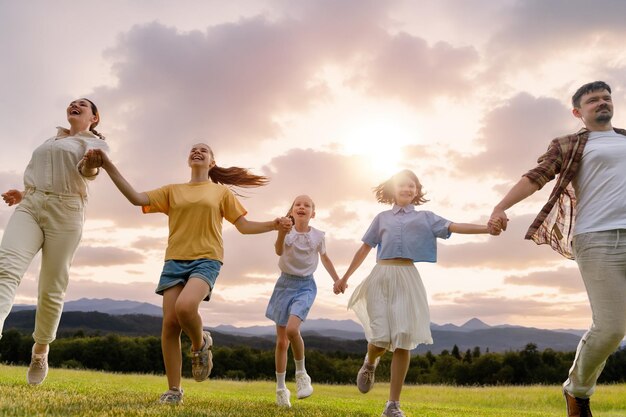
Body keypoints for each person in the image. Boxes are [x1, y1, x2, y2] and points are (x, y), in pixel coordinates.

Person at [85, 144, 291, 405]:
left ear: (211, 162)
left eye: (204, 150)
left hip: (206, 259)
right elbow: (137, 198)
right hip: (174, 261)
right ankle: (174, 390)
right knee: (170, 325)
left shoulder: (220, 192)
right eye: (194, 149)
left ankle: (200, 343)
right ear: (188, 159)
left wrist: (273, 225)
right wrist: (107, 165)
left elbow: (243, 226)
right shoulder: (173, 190)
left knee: (185, 308)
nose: (197, 152)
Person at [489, 80, 626, 417]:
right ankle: (576, 390)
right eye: (593, 100)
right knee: (612, 326)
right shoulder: (569, 144)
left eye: (607, 98)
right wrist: (500, 206)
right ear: (578, 112)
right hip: (597, 237)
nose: (602, 102)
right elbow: (536, 176)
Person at [334, 169, 499, 417]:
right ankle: (370, 363)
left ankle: (392, 405)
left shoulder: (425, 217)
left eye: (413, 186)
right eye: (403, 185)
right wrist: (345, 277)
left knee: (404, 338)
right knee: (379, 338)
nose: (408, 189)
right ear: (393, 189)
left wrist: (486, 229)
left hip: (407, 278)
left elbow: (453, 226)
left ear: (417, 191)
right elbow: (364, 249)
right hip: (381, 276)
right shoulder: (381, 218)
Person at [0, 98, 108, 385]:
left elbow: (88, 172)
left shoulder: (95, 144)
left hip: (67, 212)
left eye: (82, 105)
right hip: (31, 205)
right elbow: (47, 177)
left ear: (94, 117)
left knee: (51, 287)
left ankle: (40, 349)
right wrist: (23, 194)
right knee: (5, 269)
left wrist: (89, 166)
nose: (74, 105)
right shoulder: (52, 139)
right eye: (72, 103)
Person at [266, 194, 341, 408]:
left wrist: (337, 280)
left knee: (292, 330)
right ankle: (281, 389)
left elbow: (325, 258)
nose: (301, 207)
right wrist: (281, 232)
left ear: (312, 213)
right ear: (291, 211)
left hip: (305, 286)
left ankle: (301, 374)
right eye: (297, 204)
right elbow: (279, 250)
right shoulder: (286, 231)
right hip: (283, 285)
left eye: (306, 205)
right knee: (281, 342)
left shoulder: (318, 236)